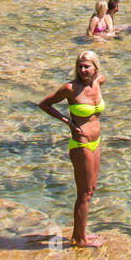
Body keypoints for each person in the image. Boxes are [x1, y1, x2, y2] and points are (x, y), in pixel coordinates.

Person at [37, 51, 106, 247]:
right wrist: (66, 120)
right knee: (83, 193)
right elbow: (44, 104)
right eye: (80, 66)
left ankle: (81, 232)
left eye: (87, 66)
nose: (83, 70)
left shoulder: (99, 81)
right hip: (81, 143)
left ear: (95, 67)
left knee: (91, 190)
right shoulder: (70, 88)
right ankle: (79, 239)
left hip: (97, 141)